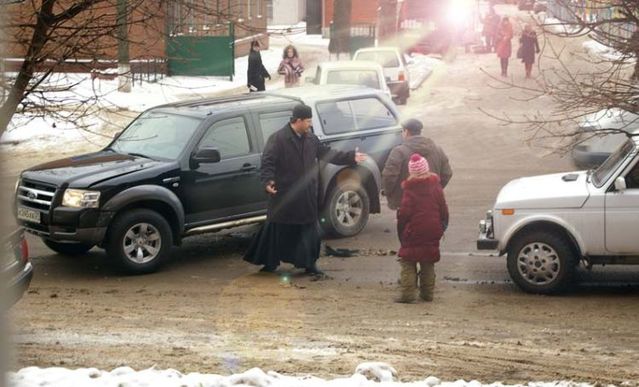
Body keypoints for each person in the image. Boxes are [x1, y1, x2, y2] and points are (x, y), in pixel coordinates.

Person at [243, 104, 367, 275]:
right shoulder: (278, 139)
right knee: (277, 231)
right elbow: (268, 163)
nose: (310, 124)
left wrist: (350, 157)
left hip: (306, 195)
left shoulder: (311, 139)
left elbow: (328, 153)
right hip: (284, 196)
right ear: (298, 120)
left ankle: (309, 264)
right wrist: (268, 181)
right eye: (308, 121)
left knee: (308, 231)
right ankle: (270, 263)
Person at [395, 154, 449, 303]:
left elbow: (404, 214)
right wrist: (442, 225)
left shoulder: (410, 190)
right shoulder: (435, 185)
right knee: (428, 261)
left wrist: (401, 232)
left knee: (408, 261)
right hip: (433, 230)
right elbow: (443, 208)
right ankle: (427, 294)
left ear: (411, 172)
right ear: (427, 169)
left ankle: (407, 294)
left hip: (414, 231)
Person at [382, 118, 452, 213]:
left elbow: (389, 176)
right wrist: (435, 189)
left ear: (406, 132)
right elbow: (447, 173)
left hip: (406, 204)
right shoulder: (437, 149)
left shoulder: (398, 152)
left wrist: (388, 192)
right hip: (431, 203)